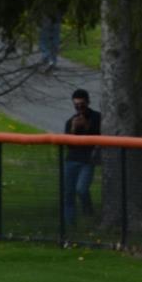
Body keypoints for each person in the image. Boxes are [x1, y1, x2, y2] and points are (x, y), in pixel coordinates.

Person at [62, 89, 101, 230]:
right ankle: (70, 224)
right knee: (68, 193)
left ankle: (88, 211)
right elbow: (68, 144)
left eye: (82, 105)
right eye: (76, 105)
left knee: (81, 189)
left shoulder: (96, 117)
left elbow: (98, 136)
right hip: (72, 159)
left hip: (87, 160)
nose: (79, 108)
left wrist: (86, 127)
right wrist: (73, 128)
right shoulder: (70, 121)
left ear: (88, 102)